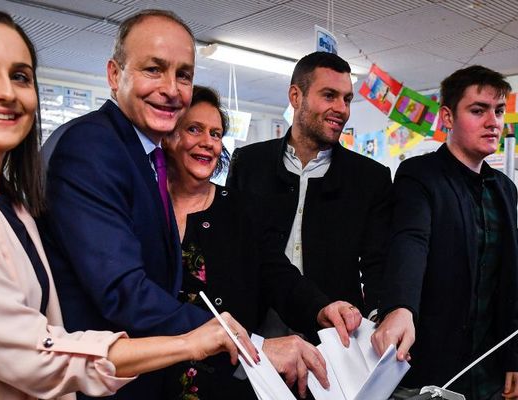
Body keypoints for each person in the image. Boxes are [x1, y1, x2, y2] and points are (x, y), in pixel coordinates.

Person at [0, 8, 255, 400]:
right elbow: (30, 351)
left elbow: (45, 329)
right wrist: (194, 342)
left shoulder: (10, 204)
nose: (6, 92)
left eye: (21, 76)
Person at [39, 10, 358, 400]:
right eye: (154, 69)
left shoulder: (146, 161)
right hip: (106, 381)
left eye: (184, 75)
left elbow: (273, 271)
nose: (172, 88)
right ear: (113, 74)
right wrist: (252, 346)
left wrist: (318, 308)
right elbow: (122, 291)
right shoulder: (93, 148)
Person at [161, 85, 364, 399]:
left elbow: (277, 273)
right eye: (194, 129)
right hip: (153, 376)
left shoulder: (240, 210)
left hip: (226, 381)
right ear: (168, 136)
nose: (207, 142)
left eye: (216, 134)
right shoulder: (143, 208)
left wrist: (321, 307)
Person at [371, 65, 518, 400]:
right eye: (478, 110)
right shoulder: (420, 175)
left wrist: (514, 356)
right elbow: (411, 240)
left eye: (498, 111)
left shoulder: (505, 189)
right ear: (448, 117)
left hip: (490, 368)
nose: (492, 121)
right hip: (434, 368)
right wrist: (400, 307)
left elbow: (509, 279)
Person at [226, 51, 392, 336]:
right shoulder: (249, 163)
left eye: (347, 99)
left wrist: (380, 316)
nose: (342, 108)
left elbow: (378, 262)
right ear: (295, 96)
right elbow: (231, 243)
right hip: (255, 325)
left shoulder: (370, 178)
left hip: (334, 329)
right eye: (329, 95)